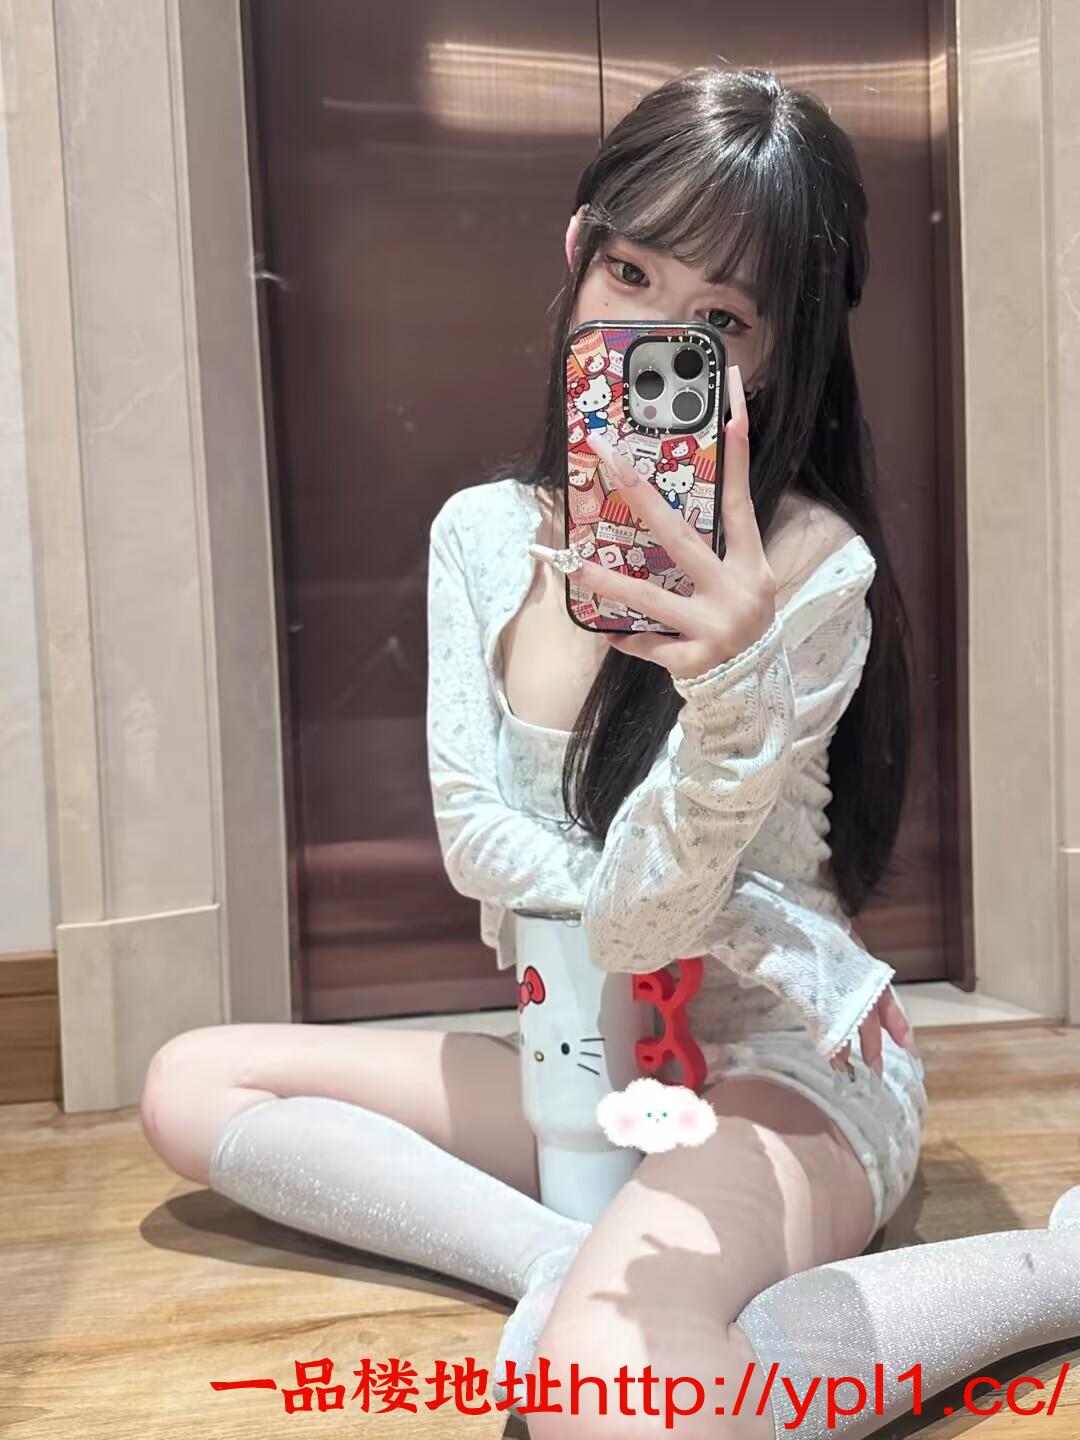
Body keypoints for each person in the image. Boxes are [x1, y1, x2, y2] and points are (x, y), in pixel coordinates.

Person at [140, 65, 1080, 1439]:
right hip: (580, 1049)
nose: (652, 336)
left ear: (776, 356)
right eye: (630, 272)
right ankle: (559, 1265)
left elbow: (650, 920)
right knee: (190, 1083)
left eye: (720, 321)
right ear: (577, 250)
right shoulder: (481, 535)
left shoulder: (811, 572)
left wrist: (730, 687)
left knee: (615, 1407)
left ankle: (1057, 1269)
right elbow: (477, 840)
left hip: (781, 1067)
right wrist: (729, 919)